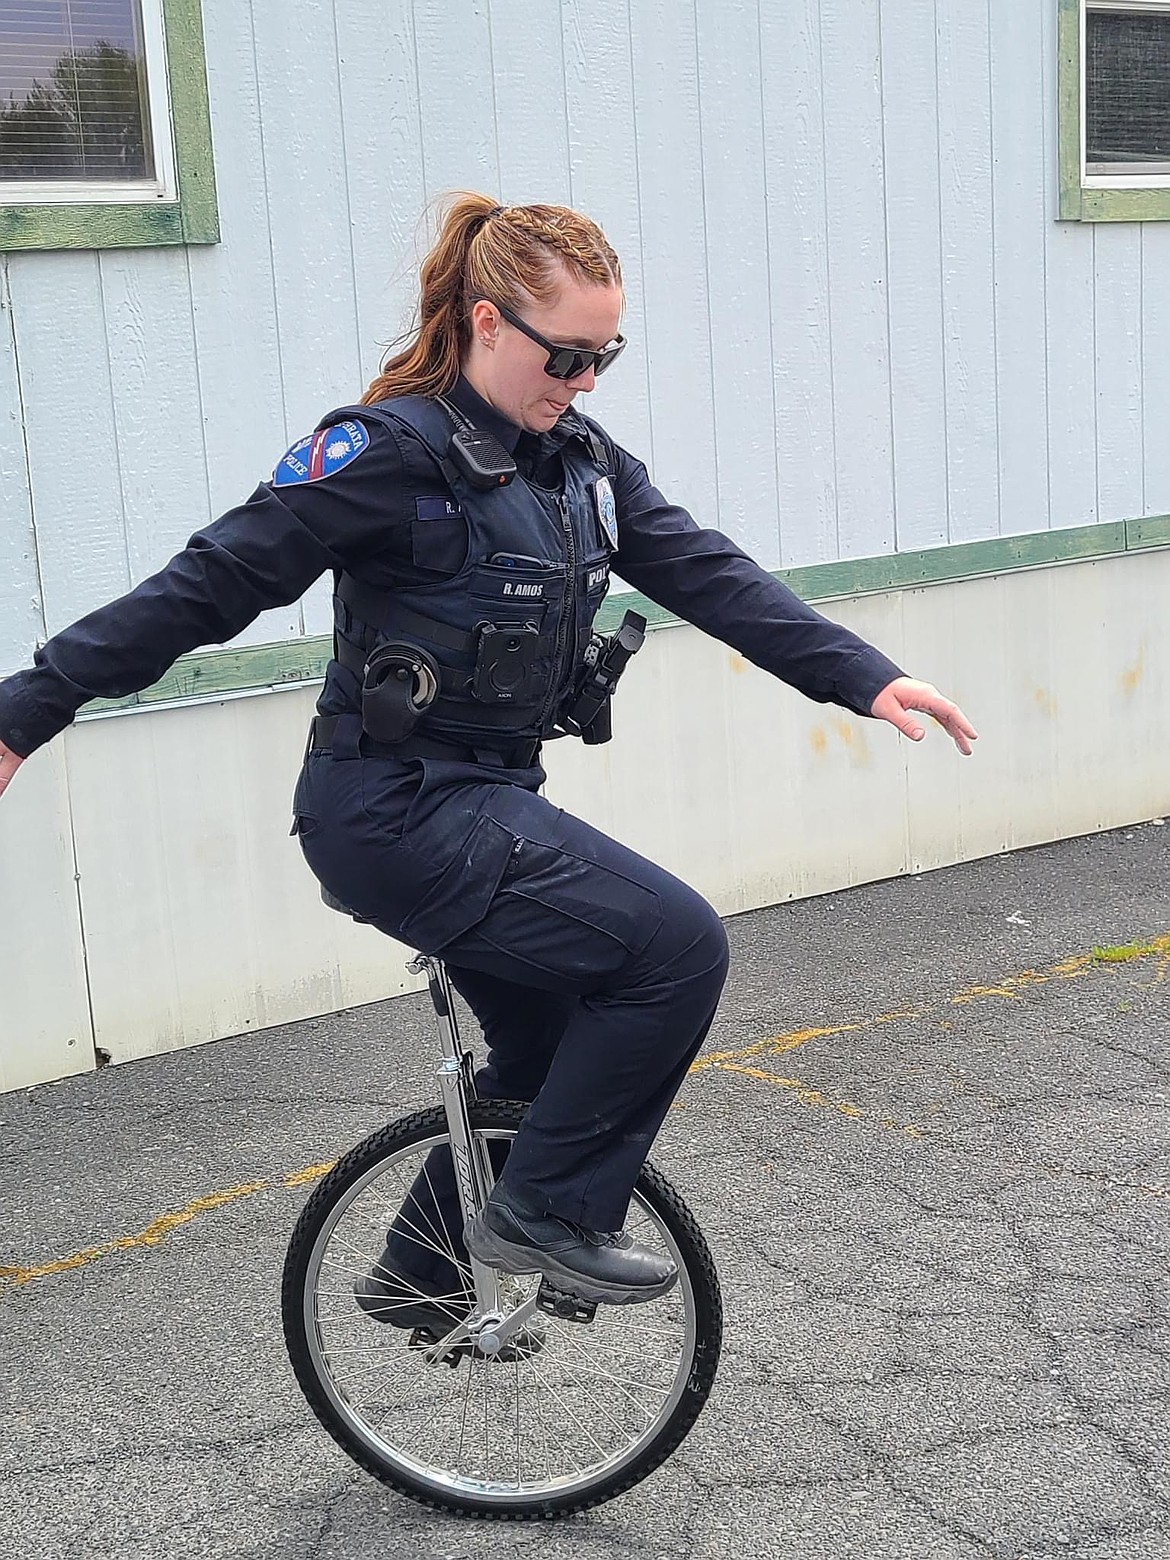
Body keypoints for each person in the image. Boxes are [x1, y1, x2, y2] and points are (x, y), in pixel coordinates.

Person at [0, 193, 976, 1328]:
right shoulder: (383, 455)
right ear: (487, 323)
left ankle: (425, 1269)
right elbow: (212, 580)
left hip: (486, 799)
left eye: (606, 354)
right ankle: (543, 1217)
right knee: (675, 948)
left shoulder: (579, 463)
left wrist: (860, 673)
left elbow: (706, 569)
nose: (586, 379)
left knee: (552, 1035)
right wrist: (31, 704)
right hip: (392, 809)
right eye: (567, 354)